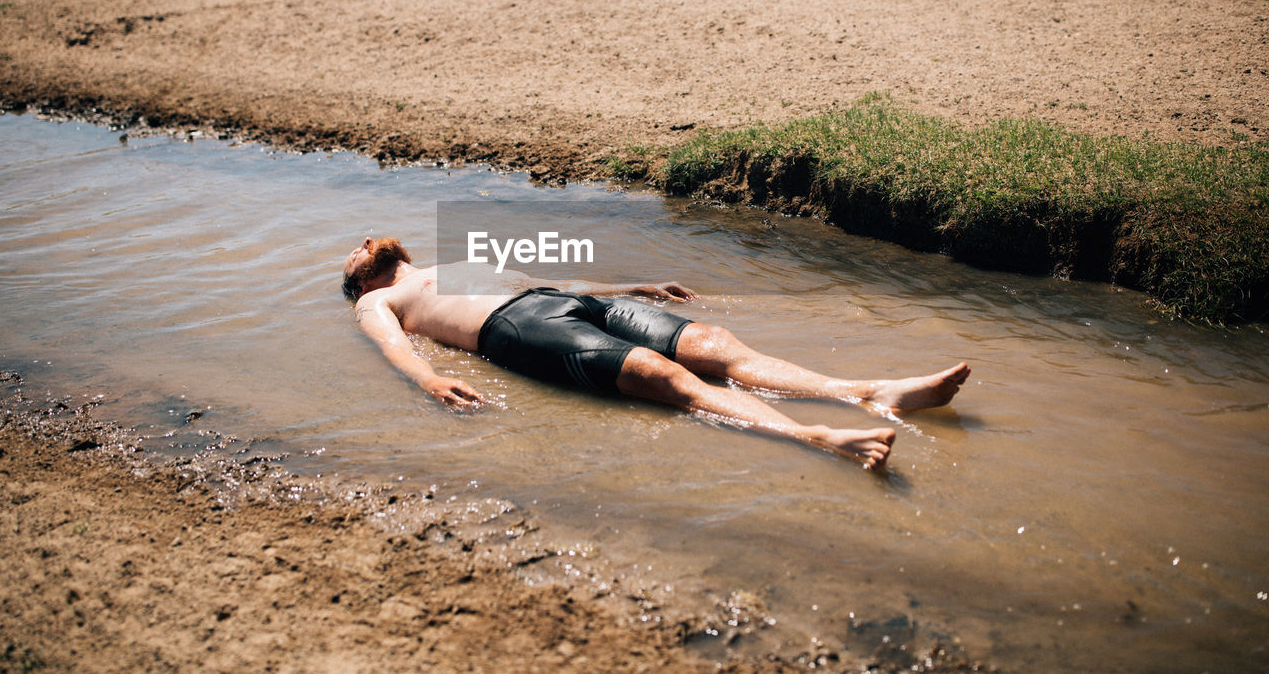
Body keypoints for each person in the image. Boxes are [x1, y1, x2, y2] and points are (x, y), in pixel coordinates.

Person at [342, 236, 969, 470]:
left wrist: (629, 288)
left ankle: (869, 392)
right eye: (353, 263)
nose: (361, 246)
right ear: (363, 283)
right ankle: (821, 437)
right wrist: (427, 381)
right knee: (660, 375)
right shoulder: (373, 303)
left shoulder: (454, 258)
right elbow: (394, 346)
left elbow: (553, 281)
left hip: (564, 301)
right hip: (513, 326)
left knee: (714, 345)